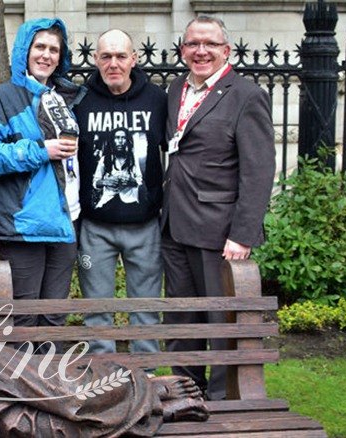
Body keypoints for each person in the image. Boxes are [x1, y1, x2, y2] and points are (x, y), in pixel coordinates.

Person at [161, 15, 275, 400]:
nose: (201, 51)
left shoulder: (246, 95)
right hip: (175, 227)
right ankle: (185, 391)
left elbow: (258, 171)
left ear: (226, 50)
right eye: (193, 44)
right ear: (183, 50)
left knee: (222, 320)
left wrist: (242, 234)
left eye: (210, 44)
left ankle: (227, 400)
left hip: (219, 232)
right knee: (181, 319)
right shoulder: (176, 89)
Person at [0, 18, 85, 350]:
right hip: (25, 225)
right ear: (25, 50)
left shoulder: (61, 97)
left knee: (53, 318)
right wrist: (40, 150)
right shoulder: (3, 98)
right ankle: (20, 398)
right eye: (40, 47)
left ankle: (50, 396)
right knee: (23, 319)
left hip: (66, 220)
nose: (47, 55)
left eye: (54, 49)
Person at [73, 29, 167, 366]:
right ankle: (103, 381)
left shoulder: (157, 99)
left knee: (146, 310)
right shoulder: (79, 101)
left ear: (134, 59)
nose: (114, 63)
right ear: (96, 59)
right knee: (97, 312)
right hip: (95, 226)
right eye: (106, 56)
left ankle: (150, 380)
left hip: (144, 224)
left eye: (121, 56)